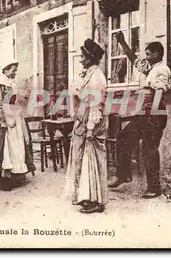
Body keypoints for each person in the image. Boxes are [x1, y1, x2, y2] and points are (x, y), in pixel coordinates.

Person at [108, 32, 171, 199]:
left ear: (157, 54)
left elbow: (159, 92)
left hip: (155, 114)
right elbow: (133, 59)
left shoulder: (162, 69)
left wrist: (152, 115)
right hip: (143, 113)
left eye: (149, 54)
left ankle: (154, 188)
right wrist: (122, 42)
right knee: (123, 138)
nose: (147, 57)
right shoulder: (150, 68)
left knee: (149, 150)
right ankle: (124, 175)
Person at [65, 38, 108, 214]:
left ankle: (96, 201)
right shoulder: (88, 74)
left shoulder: (96, 77)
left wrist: (90, 129)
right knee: (82, 158)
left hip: (92, 121)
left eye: (82, 57)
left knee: (92, 159)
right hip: (83, 119)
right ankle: (86, 196)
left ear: (90, 58)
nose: (80, 60)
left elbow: (96, 104)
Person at [0, 59, 36, 191]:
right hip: (7, 122)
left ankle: (17, 176)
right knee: (7, 150)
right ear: (5, 70)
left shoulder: (11, 84)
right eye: (12, 70)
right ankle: (5, 178)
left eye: (16, 70)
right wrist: (2, 121)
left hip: (15, 119)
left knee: (18, 149)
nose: (15, 73)